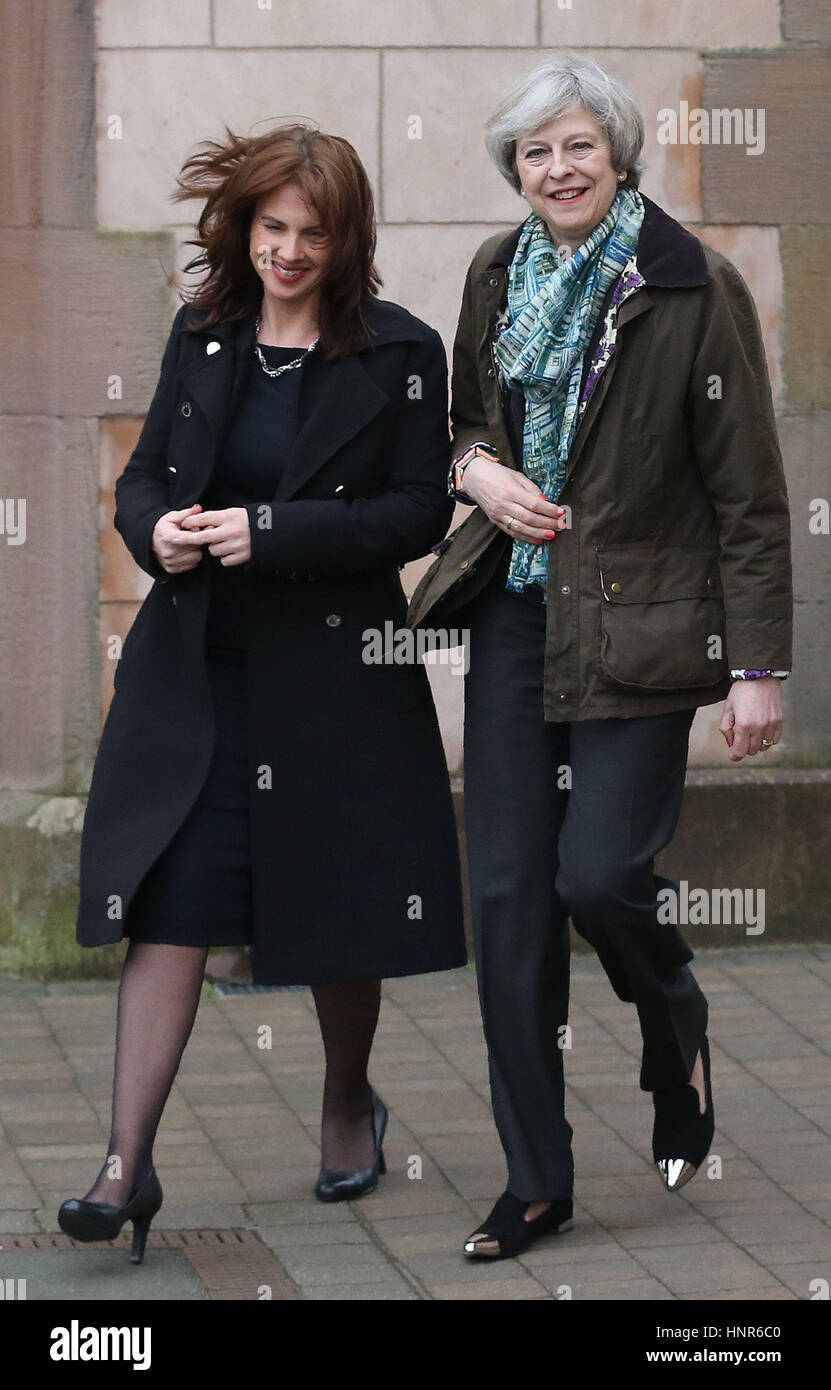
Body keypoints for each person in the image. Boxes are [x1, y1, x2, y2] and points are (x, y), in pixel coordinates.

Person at [407, 56, 792, 1261]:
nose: (557, 169)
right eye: (535, 152)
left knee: (599, 879)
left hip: (643, 626)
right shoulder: (493, 271)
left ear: (616, 152)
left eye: (577, 145)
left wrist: (758, 669)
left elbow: (751, 501)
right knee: (513, 904)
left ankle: (674, 1021)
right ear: (514, 171)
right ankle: (535, 1183)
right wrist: (480, 473)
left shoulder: (692, 287)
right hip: (519, 620)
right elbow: (464, 420)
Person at [59, 123, 466, 1263]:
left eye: (312, 233)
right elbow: (141, 479)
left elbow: (415, 513)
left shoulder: (401, 351)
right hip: (198, 672)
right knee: (172, 898)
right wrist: (162, 533)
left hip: (335, 677)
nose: (288, 251)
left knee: (333, 907)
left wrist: (270, 530)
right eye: (272, 227)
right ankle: (122, 1162)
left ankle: (346, 1103)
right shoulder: (203, 334)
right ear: (246, 228)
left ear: (347, 241)